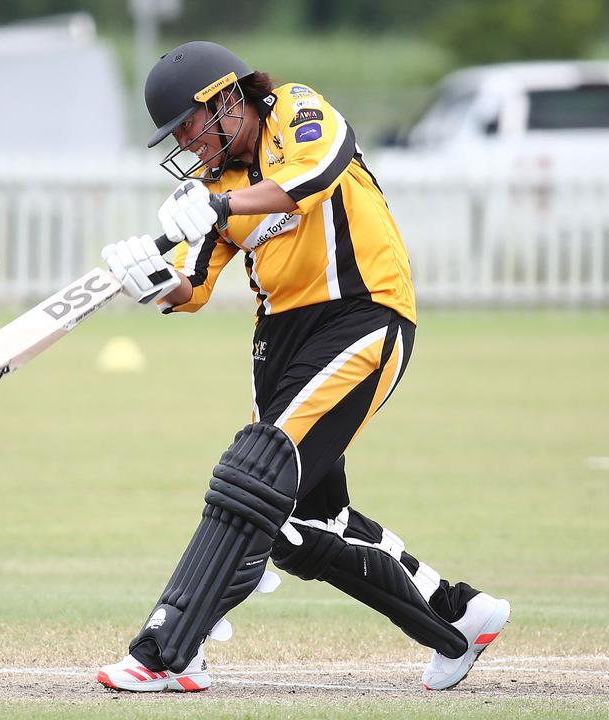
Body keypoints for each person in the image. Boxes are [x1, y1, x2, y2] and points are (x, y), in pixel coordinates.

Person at [94, 41, 510, 692]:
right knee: (301, 526)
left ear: (228, 99)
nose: (185, 143)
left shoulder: (297, 110)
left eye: (188, 126)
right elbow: (193, 286)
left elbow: (312, 179)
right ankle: (455, 618)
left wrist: (223, 208)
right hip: (280, 341)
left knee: (252, 478)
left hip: (362, 313)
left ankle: (168, 648)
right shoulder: (214, 183)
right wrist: (151, 280)